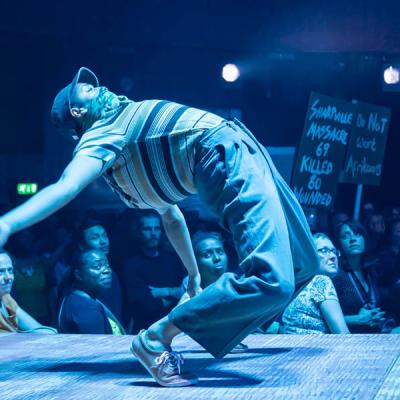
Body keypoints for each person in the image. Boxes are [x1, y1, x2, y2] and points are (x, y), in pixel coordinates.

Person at [0, 67, 318, 386]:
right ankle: (154, 339)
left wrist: (193, 275)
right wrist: (7, 223)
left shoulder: (133, 161)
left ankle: (227, 330)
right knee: (271, 280)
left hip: (244, 146)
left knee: (304, 263)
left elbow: (171, 217)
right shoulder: (102, 132)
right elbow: (67, 186)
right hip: (223, 151)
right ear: (78, 111)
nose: (101, 88)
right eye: (88, 90)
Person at [120, 210, 185, 332]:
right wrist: (173, 294)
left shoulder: (173, 259)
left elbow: (184, 293)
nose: (153, 233)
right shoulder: (132, 265)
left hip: (175, 327)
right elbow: (144, 307)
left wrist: (163, 292)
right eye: (147, 229)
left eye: (157, 228)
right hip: (146, 330)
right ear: (139, 232)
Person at [279, 233, 349, 334]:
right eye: (324, 251)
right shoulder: (321, 281)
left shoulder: (298, 284)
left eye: (334, 251)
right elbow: (342, 333)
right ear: (309, 255)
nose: (333, 256)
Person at [333, 221, 394, 333]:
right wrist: (358, 319)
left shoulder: (372, 272)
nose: (352, 239)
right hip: (351, 338)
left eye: (357, 234)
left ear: (365, 240)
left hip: (377, 333)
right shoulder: (336, 276)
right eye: (345, 236)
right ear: (338, 244)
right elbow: (322, 317)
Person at [58, 249, 125, 335]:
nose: (107, 271)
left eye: (107, 266)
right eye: (97, 267)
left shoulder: (75, 297)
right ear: (78, 274)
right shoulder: (88, 309)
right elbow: (98, 347)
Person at [0, 249, 56, 333]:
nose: (8, 277)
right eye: (1, 272)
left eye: (10, 270)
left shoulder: (7, 300)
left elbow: (40, 330)